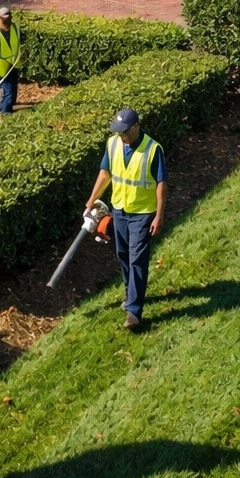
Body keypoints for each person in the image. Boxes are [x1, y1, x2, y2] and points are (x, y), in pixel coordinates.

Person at [85, 107, 167, 330]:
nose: (121, 135)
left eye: (125, 131)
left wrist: (159, 215)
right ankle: (131, 292)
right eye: (118, 131)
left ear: (136, 127)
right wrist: (92, 199)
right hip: (119, 209)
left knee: (137, 259)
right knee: (123, 254)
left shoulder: (152, 149)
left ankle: (134, 312)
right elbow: (105, 173)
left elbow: (161, 185)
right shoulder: (113, 144)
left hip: (142, 213)